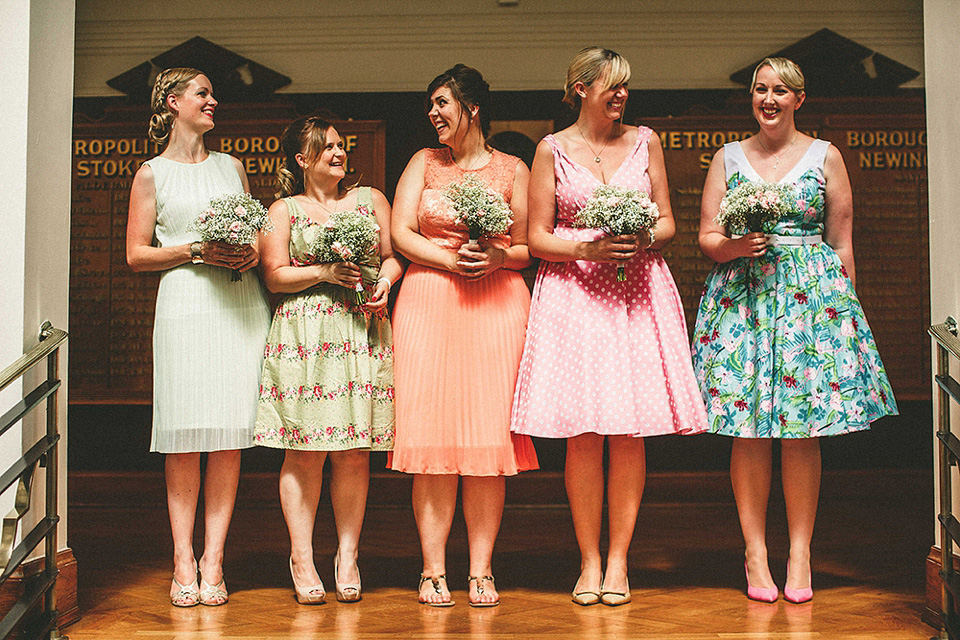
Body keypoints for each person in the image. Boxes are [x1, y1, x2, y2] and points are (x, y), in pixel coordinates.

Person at [691, 57, 898, 603]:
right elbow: (707, 237)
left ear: (799, 99)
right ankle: (754, 551)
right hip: (744, 302)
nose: (769, 99)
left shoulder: (825, 156)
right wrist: (736, 246)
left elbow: (842, 240)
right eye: (760, 89)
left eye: (780, 90)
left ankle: (800, 551)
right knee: (749, 429)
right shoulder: (728, 157)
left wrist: (845, 315)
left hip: (811, 302)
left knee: (802, 432)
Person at [511, 47, 707, 607]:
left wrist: (643, 238)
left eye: (626, 87)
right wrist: (588, 245)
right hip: (574, 297)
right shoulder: (552, 150)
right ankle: (588, 561)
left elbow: (668, 219)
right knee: (584, 432)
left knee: (628, 431)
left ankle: (619, 559)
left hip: (636, 294)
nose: (621, 96)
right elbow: (538, 237)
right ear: (580, 89)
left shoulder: (647, 142)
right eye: (612, 86)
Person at [389, 64, 539, 608]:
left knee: (484, 439)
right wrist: (451, 260)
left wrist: (497, 255)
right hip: (429, 303)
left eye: (441, 103)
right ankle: (432, 570)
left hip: (495, 305)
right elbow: (401, 233)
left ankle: (480, 570)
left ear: (471, 108)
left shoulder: (514, 169)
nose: (433, 114)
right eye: (431, 105)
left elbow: (528, 246)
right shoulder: (423, 163)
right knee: (431, 438)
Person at [126, 68, 271, 606]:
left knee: (228, 436)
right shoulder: (151, 174)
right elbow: (137, 253)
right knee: (185, 436)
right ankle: (182, 558)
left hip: (237, 304)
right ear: (173, 102)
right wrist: (195, 250)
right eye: (203, 93)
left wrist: (249, 253)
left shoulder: (232, 168)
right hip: (186, 305)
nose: (214, 101)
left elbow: (257, 240)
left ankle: (214, 559)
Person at [253, 115, 401, 605]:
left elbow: (393, 256)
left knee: (354, 450)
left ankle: (347, 555)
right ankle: (301, 556)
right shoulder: (284, 210)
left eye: (341, 145)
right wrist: (322, 271)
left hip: (359, 328)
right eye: (327, 147)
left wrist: (382, 283)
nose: (339, 153)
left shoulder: (370, 199)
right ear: (302, 159)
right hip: (305, 333)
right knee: (305, 450)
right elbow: (273, 276)